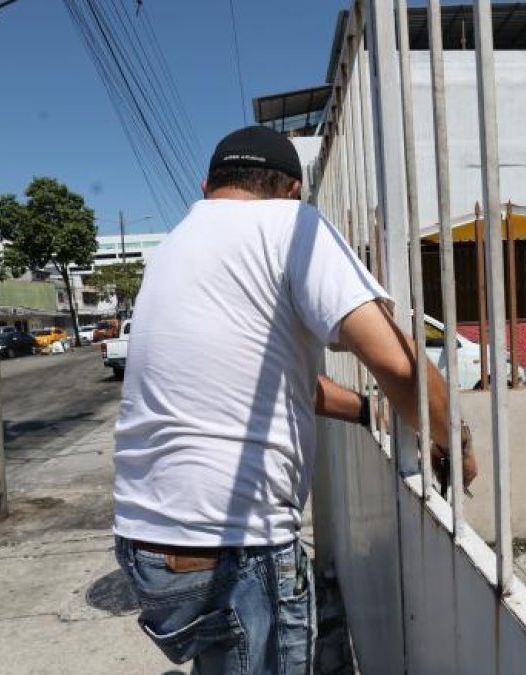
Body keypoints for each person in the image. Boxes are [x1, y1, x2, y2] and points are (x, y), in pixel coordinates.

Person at [113, 126, 477, 675]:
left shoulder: (171, 248)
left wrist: (364, 410)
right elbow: (400, 363)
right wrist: (454, 443)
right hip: (236, 547)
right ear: (291, 190)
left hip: (148, 546)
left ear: (208, 184)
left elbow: (257, 380)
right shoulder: (291, 226)